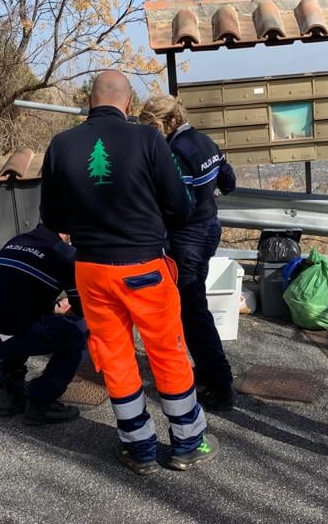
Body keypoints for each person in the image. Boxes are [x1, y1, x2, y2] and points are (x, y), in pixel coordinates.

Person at [40, 71, 219, 475]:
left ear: (90, 101)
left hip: (92, 270)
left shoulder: (61, 144)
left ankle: (138, 448)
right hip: (145, 267)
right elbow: (180, 206)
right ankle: (187, 443)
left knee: (115, 359)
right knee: (168, 352)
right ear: (127, 103)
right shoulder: (148, 139)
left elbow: (52, 217)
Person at [138, 95, 237, 411]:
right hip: (210, 228)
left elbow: (180, 207)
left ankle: (220, 384)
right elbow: (229, 182)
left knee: (193, 313)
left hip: (188, 239)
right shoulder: (206, 141)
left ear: (162, 123)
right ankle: (208, 371)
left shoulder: (175, 153)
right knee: (192, 309)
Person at [0, 225, 88, 426]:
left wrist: (53, 310)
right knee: (80, 332)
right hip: (0, 335)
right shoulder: (65, 255)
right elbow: (83, 309)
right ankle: (41, 403)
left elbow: (22, 292)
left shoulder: (17, 241)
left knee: (23, 318)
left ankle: (10, 391)